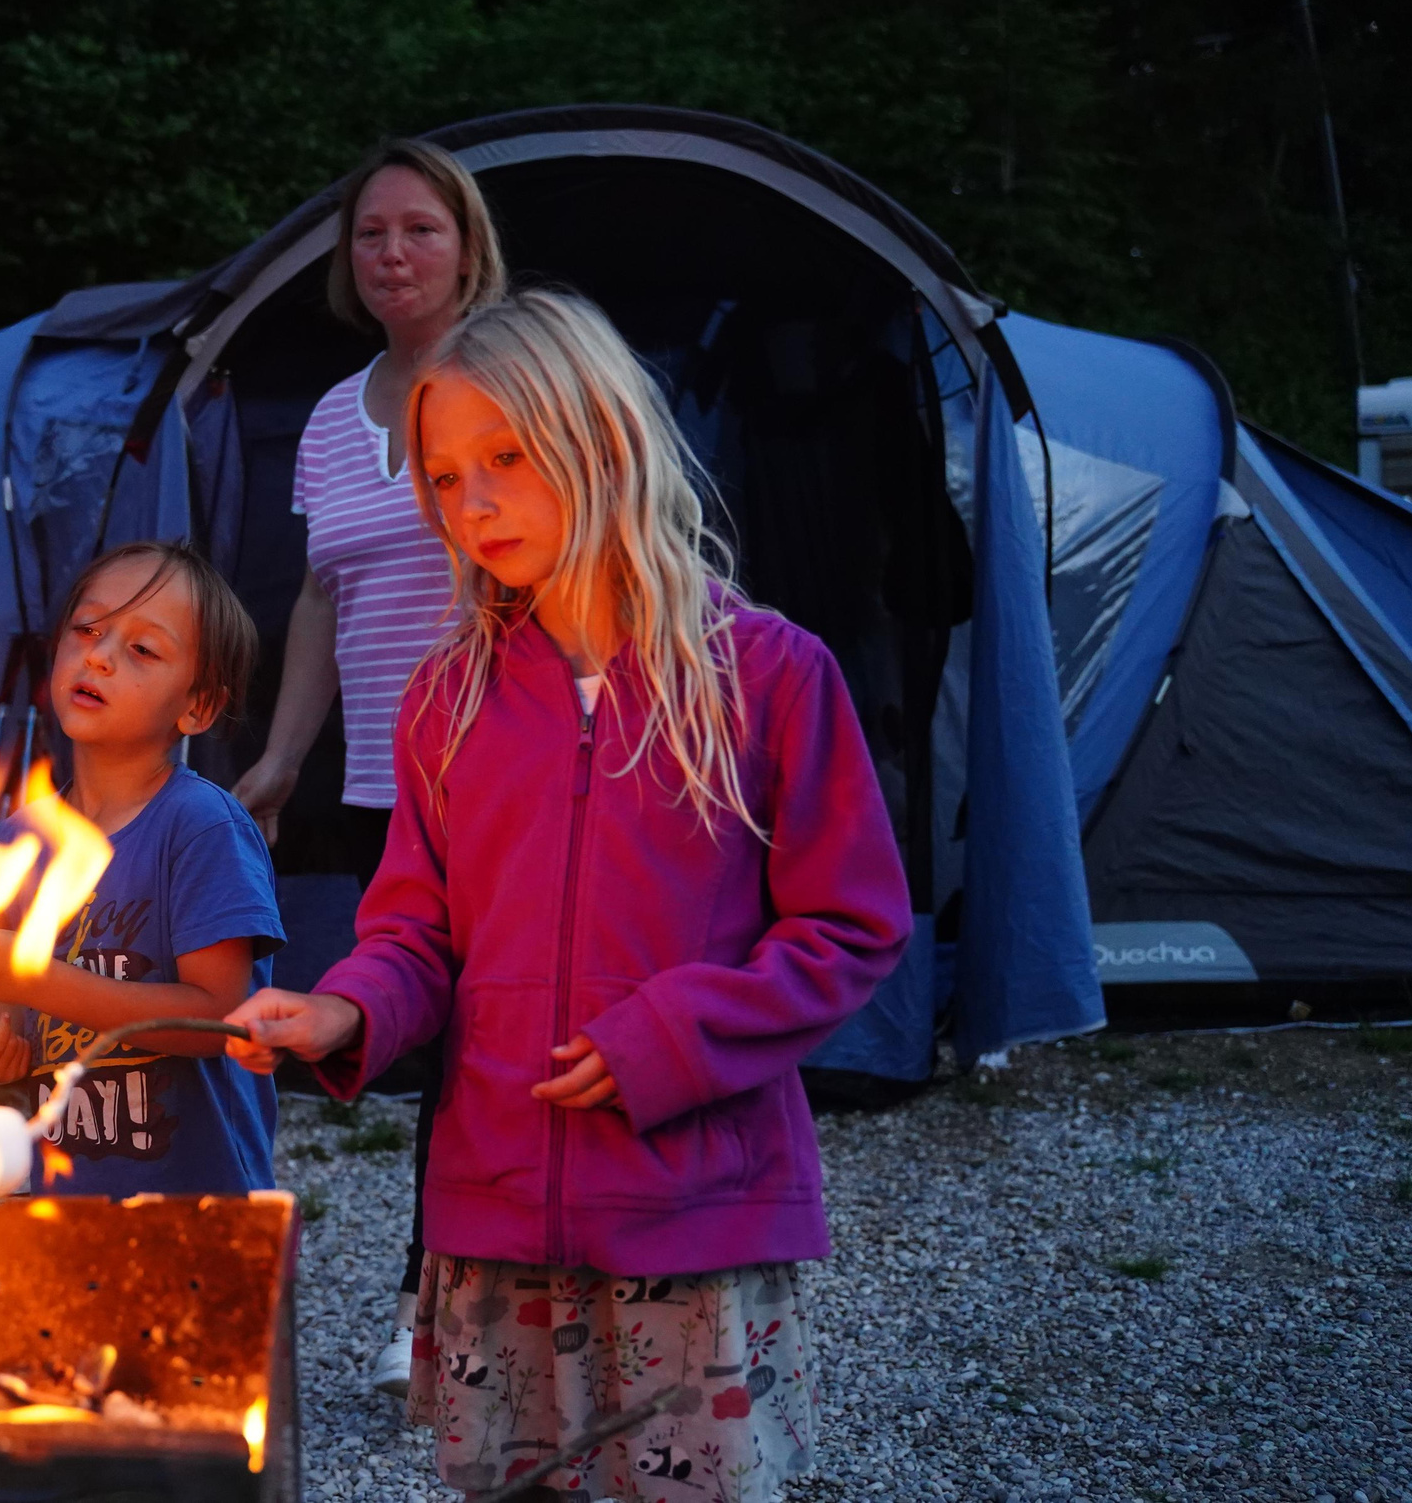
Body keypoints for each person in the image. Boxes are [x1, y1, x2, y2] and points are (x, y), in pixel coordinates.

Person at [224, 291, 909, 1501]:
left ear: (601, 440)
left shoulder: (763, 672)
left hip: (690, 1219)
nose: (471, 502)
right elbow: (412, 931)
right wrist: (347, 1012)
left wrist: (673, 1035)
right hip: (489, 1223)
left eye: (506, 459)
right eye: (441, 476)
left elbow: (852, 926)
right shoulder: (445, 698)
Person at [228, 137, 506, 1391]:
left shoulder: (514, 380)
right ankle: (457, 1299)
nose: (392, 253)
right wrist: (282, 756)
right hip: (388, 776)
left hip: (510, 758)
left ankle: (428, 1312)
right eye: (371, 234)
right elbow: (322, 602)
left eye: (420, 230)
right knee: (430, 1024)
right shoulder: (337, 419)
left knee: (470, 1043)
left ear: (466, 245)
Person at [0, 541, 283, 1196]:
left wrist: (36, 978)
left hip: (195, 1209)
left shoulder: (200, 828)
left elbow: (219, 1017)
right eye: (88, 629)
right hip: (63, 1207)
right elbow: (17, 1015)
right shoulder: (18, 842)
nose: (98, 655)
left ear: (198, 707)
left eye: (142, 650)